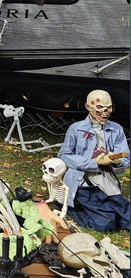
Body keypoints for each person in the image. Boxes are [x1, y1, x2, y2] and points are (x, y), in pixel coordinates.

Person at [58, 89, 130, 232]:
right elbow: (64, 155)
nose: (105, 111)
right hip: (82, 182)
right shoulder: (76, 129)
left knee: (126, 217)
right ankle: (73, 208)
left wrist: (118, 163)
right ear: (88, 107)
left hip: (106, 181)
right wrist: (94, 163)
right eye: (99, 107)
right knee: (106, 224)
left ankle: (109, 212)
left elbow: (125, 159)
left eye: (108, 107)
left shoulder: (116, 129)